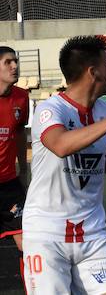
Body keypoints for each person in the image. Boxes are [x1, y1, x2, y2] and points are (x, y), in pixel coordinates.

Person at [23, 36, 106, 294]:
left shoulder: (104, 110)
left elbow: (100, 153)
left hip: (92, 232)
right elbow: (62, 145)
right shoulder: (49, 110)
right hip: (46, 234)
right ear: (93, 71)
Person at [0, 46, 29, 291]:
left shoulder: (22, 97)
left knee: (27, 243)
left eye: (15, 61)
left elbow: (19, 131)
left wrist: (24, 167)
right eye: (8, 62)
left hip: (9, 185)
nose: (14, 66)